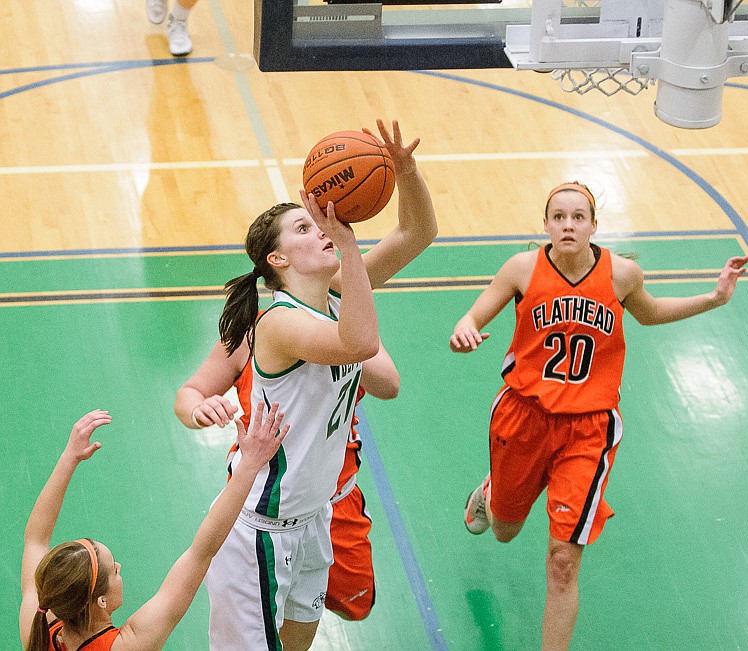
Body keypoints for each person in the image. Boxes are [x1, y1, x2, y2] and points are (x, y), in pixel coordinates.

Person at [450, 181, 748, 651]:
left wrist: (712, 298)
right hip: (522, 418)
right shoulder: (522, 269)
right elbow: (472, 317)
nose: (568, 224)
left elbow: (648, 314)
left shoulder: (622, 274)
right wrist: (464, 330)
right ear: (546, 224)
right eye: (558, 217)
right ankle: (489, 493)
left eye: (578, 216)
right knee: (505, 531)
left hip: (589, 430)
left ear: (593, 224)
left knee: (563, 561)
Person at [202, 118, 436, 651]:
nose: (320, 228)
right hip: (259, 523)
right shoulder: (279, 322)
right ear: (277, 260)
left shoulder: (332, 294)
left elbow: (416, 233)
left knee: (300, 643)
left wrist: (407, 173)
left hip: (313, 517)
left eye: (316, 222)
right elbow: (359, 344)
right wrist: (349, 246)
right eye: (304, 228)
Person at [19, 404, 288, 651]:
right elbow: (201, 552)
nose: (119, 567)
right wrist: (250, 465)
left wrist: (70, 457)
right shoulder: (128, 646)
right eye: (113, 570)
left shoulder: (39, 630)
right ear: (100, 601)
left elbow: (36, 539)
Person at [175, 338, 399, 622]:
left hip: (332, 503)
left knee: (355, 606)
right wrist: (198, 410)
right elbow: (190, 392)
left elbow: (390, 385)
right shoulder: (250, 333)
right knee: (261, 620)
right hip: (263, 512)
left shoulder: (349, 330)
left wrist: (345, 336)